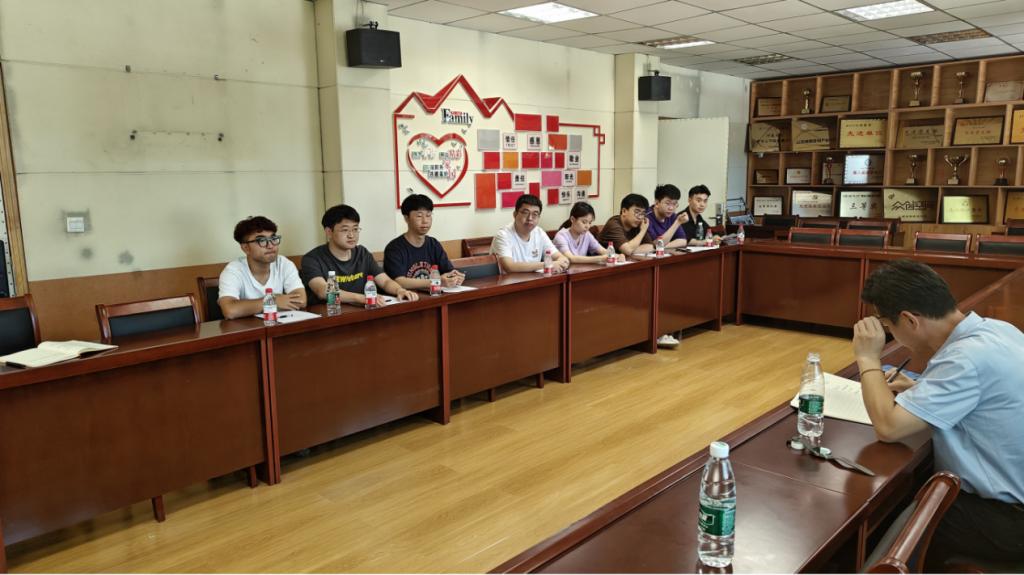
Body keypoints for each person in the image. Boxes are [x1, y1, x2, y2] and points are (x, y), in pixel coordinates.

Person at [853, 259, 1024, 569]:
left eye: (889, 327)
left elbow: (889, 427)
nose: (891, 334)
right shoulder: (998, 330)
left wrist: (867, 358)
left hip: (1007, 519)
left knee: (895, 520)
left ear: (909, 320)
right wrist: (921, 390)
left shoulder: (965, 359)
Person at [301, 204, 419, 306]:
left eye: (355, 229)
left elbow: (385, 281)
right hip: (330, 316)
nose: (351, 235)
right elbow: (322, 291)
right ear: (329, 232)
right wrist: (361, 298)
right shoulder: (312, 259)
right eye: (345, 230)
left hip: (361, 312)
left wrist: (400, 290)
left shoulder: (362, 253)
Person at [217, 216, 307, 319]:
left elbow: (301, 300)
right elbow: (230, 310)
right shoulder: (233, 270)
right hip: (247, 328)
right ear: (246, 248)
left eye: (273, 239)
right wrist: (273, 300)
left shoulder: (283, 263)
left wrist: (253, 307)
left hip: (277, 325)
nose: (270, 245)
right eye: (262, 240)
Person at [384, 194, 465, 291]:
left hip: (434, 296)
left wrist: (454, 277)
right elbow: (400, 281)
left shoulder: (433, 244)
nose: (425, 221)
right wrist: (435, 282)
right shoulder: (394, 248)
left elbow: (448, 271)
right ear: (406, 218)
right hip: (408, 298)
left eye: (428, 215)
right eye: (419, 216)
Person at [490, 194, 570, 274]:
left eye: (535, 214)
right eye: (525, 213)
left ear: (539, 217)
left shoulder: (539, 233)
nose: (530, 218)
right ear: (515, 214)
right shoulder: (503, 235)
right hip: (508, 281)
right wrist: (546, 264)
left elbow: (559, 257)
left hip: (534, 280)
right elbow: (509, 266)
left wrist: (562, 262)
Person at [553, 201, 624, 265]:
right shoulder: (561, 236)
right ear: (572, 219)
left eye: (590, 223)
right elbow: (571, 258)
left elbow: (602, 250)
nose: (587, 226)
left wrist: (617, 256)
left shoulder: (586, 234)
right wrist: (600, 258)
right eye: (584, 222)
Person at [646, 184, 689, 249]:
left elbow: (683, 241)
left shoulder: (672, 216)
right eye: (667, 203)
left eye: (674, 204)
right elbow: (656, 244)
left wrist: (662, 246)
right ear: (657, 203)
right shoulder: (647, 217)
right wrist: (677, 223)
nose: (671, 208)